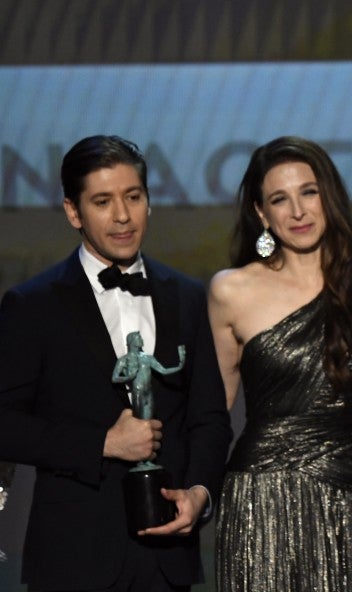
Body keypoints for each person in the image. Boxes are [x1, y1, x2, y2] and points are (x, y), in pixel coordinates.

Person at [0, 135, 232, 591]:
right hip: (74, 557)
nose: (123, 215)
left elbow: (209, 418)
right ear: (73, 212)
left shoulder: (185, 296)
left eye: (133, 196)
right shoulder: (33, 304)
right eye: (102, 201)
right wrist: (103, 443)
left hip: (168, 558)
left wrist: (200, 493)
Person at [208, 136, 352, 592]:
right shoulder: (231, 291)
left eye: (308, 192)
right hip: (258, 502)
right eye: (280, 199)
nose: (297, 211)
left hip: (347, 498)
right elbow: (212, 414)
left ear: (329, 194)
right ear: (261, 213)